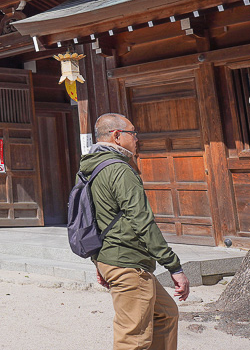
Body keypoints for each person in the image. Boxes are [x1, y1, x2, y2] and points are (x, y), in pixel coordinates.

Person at [79, 113, 190, 350]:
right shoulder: (119, 170)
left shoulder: (92, 167)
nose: (137, 138)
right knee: (133, 340)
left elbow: (92, 219)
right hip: (128, 263)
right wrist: (174, 266)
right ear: (117, 136)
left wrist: (99, 262)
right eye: (133, 133)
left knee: (166, 314)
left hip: (116, 259)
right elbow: (142, 222)